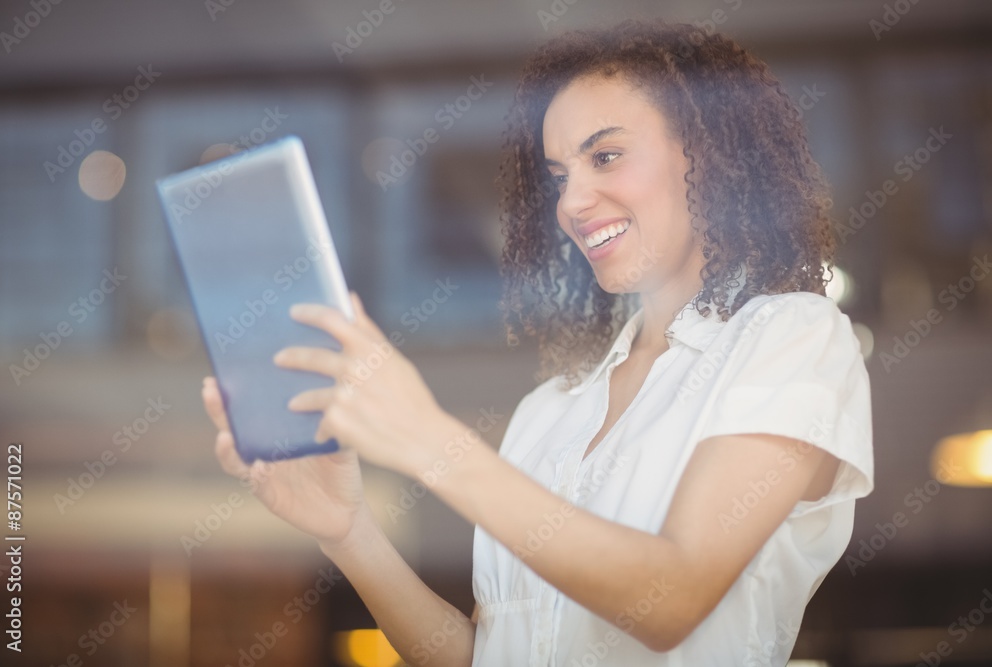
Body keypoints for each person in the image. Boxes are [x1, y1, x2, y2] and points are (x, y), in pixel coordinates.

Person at [202, 19, 873, 666]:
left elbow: (673, 596)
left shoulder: (792, 339)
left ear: (707, 152)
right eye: (559, 176)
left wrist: (429, 439)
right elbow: (484, 653)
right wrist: (347, 531)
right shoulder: (549, 411)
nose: (571, 203)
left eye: (605, 155)